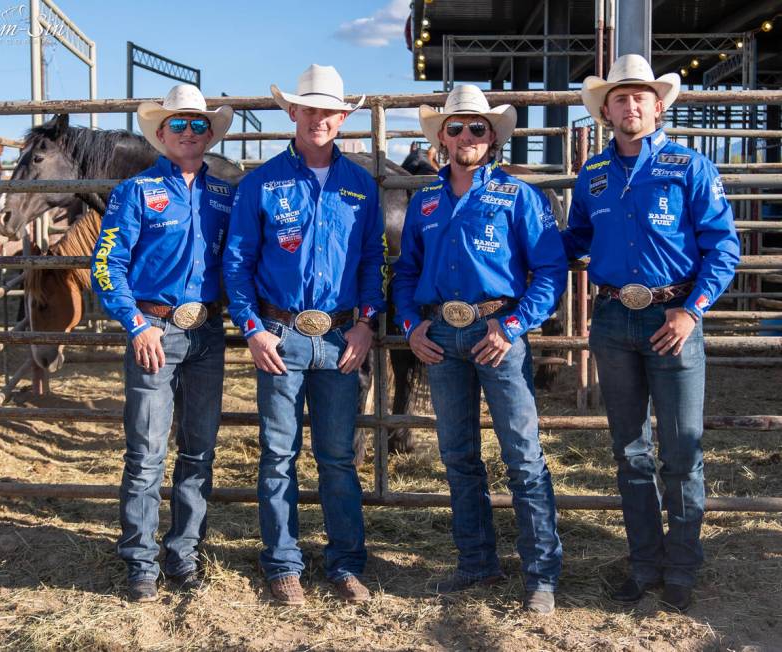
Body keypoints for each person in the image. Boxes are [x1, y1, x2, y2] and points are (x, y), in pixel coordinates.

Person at [563, 54, 740, 611]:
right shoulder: (592, 174)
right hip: (614, 316)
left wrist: (692, 310)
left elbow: (723, 246)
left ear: (658, 105)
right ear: (606, 110)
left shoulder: (689, 167)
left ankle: (683, 566)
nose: (631, 104)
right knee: (630, 449)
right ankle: (645, 564)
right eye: (620, 97)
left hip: (674, 316)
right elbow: (574, 239)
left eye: (641, 95)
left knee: (682, 452)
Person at [392, 84, 567, 615]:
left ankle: (541, 575)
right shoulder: (424, 201)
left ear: (491, 138)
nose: (465, 135)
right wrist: (409, 326)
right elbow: (404, 273)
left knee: (522, 454)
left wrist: (513, 325)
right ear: (441, 139)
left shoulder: (521, 197)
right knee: (458, 455)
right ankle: (476, 562)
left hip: (498, 333)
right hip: (441, 336)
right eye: (455, 127)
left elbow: (551, 271)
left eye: (476, 127)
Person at [223, 64, 385, 605]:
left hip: (341, 337)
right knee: (277, 454)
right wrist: (251, 330)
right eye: (309, 108)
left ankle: (344, 564)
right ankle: (283, 563)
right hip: (279, 334)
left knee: (338, 455)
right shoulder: (260, 183)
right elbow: (238, 262)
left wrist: (365, 323)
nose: (319, 118)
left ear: (344, 117)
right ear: (293, 112)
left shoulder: (361, 185)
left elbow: (370, 261)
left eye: (329, 110)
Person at [91, 84, 234, 602]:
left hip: (208, 334)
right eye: (179, 124)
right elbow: (108, 265)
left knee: (198, 450)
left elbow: (238, 263)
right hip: (154, 331)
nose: (190, 133)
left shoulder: (224, 195)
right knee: (148, 452)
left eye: (199, 124)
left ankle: (184, 551)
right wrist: (134, 323)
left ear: (210, 134)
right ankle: (140, 558)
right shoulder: (134, 192)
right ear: (161, 132)